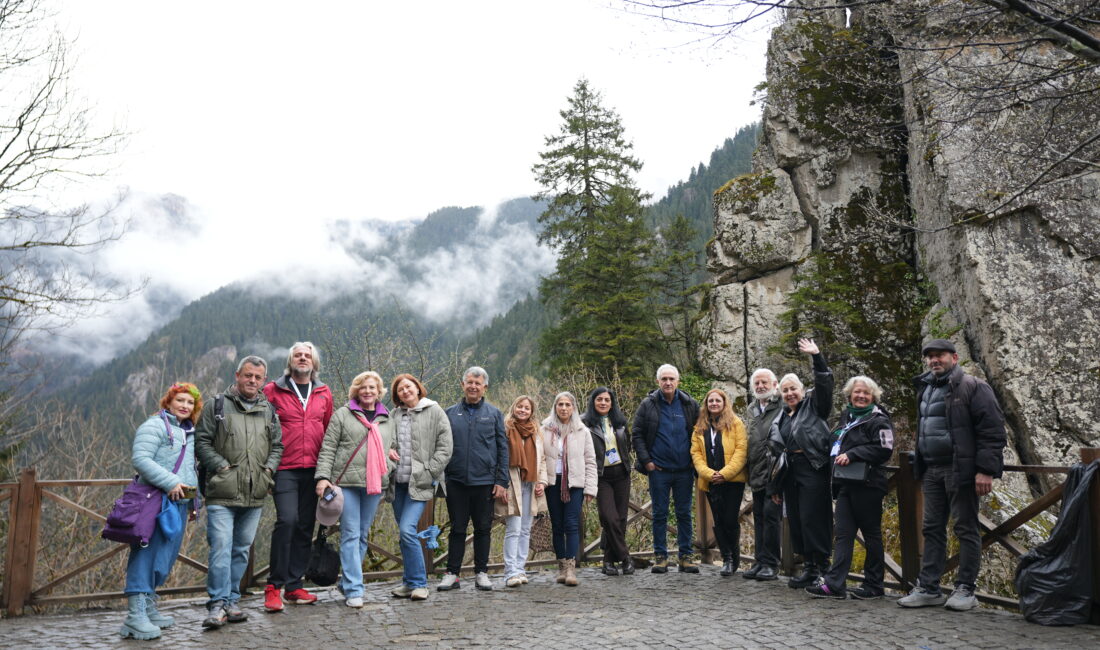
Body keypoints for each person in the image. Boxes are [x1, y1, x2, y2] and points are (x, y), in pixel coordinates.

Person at [898, 338, 1006, 612]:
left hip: (961, 470)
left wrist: (986, 470)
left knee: (965, 528)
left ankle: (966, 589)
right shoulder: (925, 388)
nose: (934, 360)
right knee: (932, 528)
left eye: (940, 355)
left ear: (954, 358)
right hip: (931, 470)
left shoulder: (972, 386)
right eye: (930, 356)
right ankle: (929, 588)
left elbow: (992, 430)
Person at [196, 356, 283, 630]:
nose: (252, 381)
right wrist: (220, 466)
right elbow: (202, 441)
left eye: (258, 377)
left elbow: (277, 446)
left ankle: (232, 601)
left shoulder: (268, 410)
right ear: (237, 375)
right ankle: (217, 604)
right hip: (222, 491)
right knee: (220, 548)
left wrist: (268, 471)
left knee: (241, 550)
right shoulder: (216, 405)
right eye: (248, 375)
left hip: (254, 493)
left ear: (264, 380)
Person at [119, 383, 203, 640]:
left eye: (190, 402)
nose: (185, 406)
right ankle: (135, 617)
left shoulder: (189, 431)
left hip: (178, 503)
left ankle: (148, 607)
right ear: (168, 402)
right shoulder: (154, 426)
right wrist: (171, 483)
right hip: (153, 501)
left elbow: (190, 470)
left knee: (164, 557)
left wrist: (193, 503)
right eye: (180, 400)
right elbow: (141, 460)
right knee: (145, 555)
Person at [806, 376, 894, 600]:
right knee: (843, 534)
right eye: (857, 392)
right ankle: (835, 584)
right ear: (850, 395)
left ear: (873, 396)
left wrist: (853, 454)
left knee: (871, 535)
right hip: (846, 484)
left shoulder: (879, 419)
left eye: (866, 393)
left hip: (869, 485)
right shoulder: (847, 416)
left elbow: (885, 449)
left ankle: (874, 584)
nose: (861, 396)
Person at [261, 342, 333, 611]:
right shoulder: (273, 390)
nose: (303, 359)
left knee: (305, 526)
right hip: (284, 468)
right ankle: (274, 586)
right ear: (290, 361)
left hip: (315, 470)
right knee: (287, 521)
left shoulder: (324, 392)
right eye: (298, 355)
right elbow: (261, 429)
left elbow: (328, 430)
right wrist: (266, 468)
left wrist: (328, 473)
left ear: (314, 363)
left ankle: (294, 586)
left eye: (307, 356)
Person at [314, 371, 394, 608]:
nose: (368, 391)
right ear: (356, 391)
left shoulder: (387, 418)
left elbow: (394, 447)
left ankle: (348, 581)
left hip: (374, 484)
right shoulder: (342, 414)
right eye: (363, 387)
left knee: (361, 534)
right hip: (347, 483)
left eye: (372, 388)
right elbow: (328, 448)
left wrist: (389, 464)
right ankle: (354, 589)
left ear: (379, 392)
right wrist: (323, 478)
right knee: (350, 533)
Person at [768, 338, 834, 589]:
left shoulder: (814, 407)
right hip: (790, 472)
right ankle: (809, 568)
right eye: (785, 390)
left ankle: (825, 569)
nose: (789, 394)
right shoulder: (782, 416)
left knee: (812, 518)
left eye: (793, 389)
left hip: (812, 468)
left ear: (802, 389)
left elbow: (825, 384)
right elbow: (776, 452)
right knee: (796, 520)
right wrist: (775, 486)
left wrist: (817, 356)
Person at [439, 367, 508, 592]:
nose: (473, 386)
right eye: (469, 382)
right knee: (457, 529)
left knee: (483, 528)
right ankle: (452, 574)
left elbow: (503, 448)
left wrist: (502, 481)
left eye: (478, 383)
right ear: (463, 385)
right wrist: (443, 476)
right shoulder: (449, 413)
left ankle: (481, 573)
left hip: (485, 482)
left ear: (485, 387)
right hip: (456, 481)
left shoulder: (494, 414)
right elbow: (441, 446)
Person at [389, 373, 453, 602]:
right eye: (400, 389)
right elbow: (386, 441)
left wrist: (429, 471)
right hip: (398, 484)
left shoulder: (434, 411)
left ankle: (419, 584)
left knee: (407, 530)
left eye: (408, 386)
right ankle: (409, 582)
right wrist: (388, 451)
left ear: (417, 388)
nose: (405, 391)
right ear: (397, 396)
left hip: (421, 482)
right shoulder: (394, 415)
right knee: (404, 534)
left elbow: (445, 446)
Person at [632, 364, 701, 574]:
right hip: (659, 470)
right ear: (658, 382)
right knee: (660, 514)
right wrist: (647, 462)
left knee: (684, 514)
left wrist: (695, 461)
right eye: (664, 379)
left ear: (678, 381)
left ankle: (686, 557)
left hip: (684, 470)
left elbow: (700, 433)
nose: (668, 382)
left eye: (671, 379)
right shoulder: (648, 405)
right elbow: (637, 434)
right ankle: (660, 557)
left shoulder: (689, 404)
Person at [541, 391, 598, 586]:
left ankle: (572, 568)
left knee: (571, 524)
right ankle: (562, 567)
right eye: (560, 404)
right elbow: (540, 458)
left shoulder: (582, 431)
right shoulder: (545, 429)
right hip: (552, 482)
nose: (564, 408)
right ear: (555, 407)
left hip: (575, 483)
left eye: (567, 405)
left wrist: (590, 488)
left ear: (573, 408)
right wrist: (540, 481)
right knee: (557, 525)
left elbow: (590, 460)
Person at [690, 388, 748, 577]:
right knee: (719, 520)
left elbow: (741, 451)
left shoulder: (735, 423)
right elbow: (695, 453)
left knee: (730, 519)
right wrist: (709, 474)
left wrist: (724, 474)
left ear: (724, 403)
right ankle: (727, 558)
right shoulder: (700, 426)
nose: (714, 404)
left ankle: (734, 556)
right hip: (710, 481)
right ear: (706, 404)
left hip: (732, 480)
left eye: (717, 401)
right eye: (711, 401)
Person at [497, 395, 548, 588]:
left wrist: (542, 481)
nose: (523, 410)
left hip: (531, 484)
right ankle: (510, 572)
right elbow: (498, 457)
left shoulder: (537, 432)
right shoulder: (505, 428)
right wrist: (501, 483)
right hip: (512, 484)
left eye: (527, 408)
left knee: (526, 529)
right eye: (520, 406)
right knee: (514, 529)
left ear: (531, 412)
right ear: (514, 407)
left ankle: (520, 569)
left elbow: (542, 460)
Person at [583, 387, 634, 576]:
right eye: (599, 399)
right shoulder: (584, 423)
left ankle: (608, 561)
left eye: (607, 400)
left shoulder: (619, 422)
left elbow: (627, 445)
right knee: (609, 517)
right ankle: (626, 558)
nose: (603, 403)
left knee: (620, 519)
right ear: (593, 402)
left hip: (621, 473)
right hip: (600, 475)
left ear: (612, 403)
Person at [743, 368, 783, 581]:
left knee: (771, 518)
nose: (760, 386)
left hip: (776, 471)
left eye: (764, 382)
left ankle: (771, 563)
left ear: (775, 384)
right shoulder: (752, 408)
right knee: (759, 517)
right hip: (757, 470)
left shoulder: (782, 405)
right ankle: (759, 561)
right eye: (756, 383)